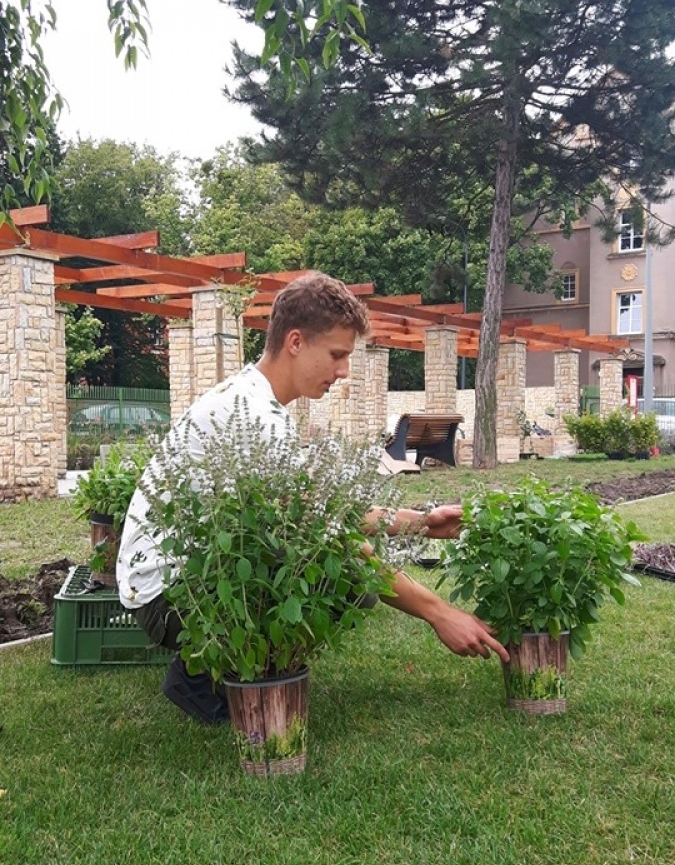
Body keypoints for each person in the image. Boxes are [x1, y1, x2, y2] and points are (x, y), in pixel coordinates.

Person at [117, 272, 509, 724]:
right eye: (337, 355)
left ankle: (230, 668)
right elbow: (329, 538)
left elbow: (315, 511)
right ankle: (202, 676)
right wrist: (439, 613)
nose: (343, 372)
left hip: (182, 581)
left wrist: (423, 522)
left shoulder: (257, 400)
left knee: (336, 572)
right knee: (342, 576)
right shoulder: (254, 417)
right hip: (169, 600)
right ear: (296, 342)